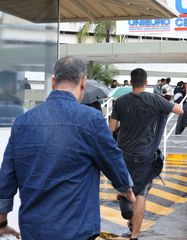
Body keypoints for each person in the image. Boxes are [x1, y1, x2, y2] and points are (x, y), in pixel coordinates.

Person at [0, 56, 136, 239]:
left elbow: (6, 177)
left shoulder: (23, 122)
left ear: (53, 82)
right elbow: (114, 161)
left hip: (34, 229)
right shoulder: (92, 120)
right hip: (77, 229)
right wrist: (126, 190)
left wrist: (1, 223)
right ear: (83, 82)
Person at [109, 68, 183, 240]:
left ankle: (125, 201)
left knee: (125, 186)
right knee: (141, 193)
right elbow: (180, 111)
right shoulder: (154, 100)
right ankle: (134, 234)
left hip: (124, 154)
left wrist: (123, 125)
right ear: (146, 82)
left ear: (131, 81)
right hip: (145, 155)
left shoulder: (120, 102)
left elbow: (111, 129)